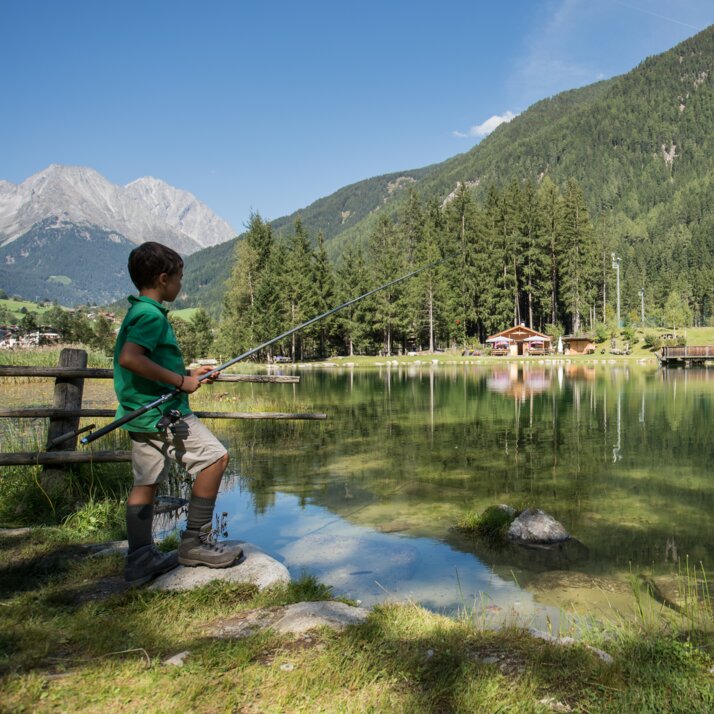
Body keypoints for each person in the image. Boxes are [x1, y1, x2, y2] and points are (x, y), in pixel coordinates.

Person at [114, 241, 242, 586]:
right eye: (180, 277)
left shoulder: (137, 312)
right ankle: (195, 543)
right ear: (163, 278)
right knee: (215, 459)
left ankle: (140, 558)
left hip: (141, 413)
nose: (181, 284)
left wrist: (190, 374)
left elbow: (147, 362)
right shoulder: (150, 316)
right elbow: (131, 358)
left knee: (146, 482)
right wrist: (179, 382)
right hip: (165, 413)